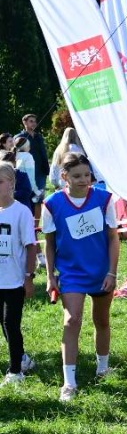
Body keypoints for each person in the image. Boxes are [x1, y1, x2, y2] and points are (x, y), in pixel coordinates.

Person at [44, 151, 119, 402]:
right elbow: (49, 243)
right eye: (77, 176)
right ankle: (69, 383)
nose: (84, 180)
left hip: (101, 272)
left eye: (87, 175)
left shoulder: (105, 199)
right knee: (72, 320)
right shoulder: (52, 204)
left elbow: (113, 238)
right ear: (64, 176)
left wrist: (112, 272)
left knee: (102, 320)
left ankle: (103, 368)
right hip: (71, 273)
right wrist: (50, 276)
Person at [0, 165, 37, 385]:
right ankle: (22, 359)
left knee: (11, 324)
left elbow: (30, 246)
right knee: (3, 324)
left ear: (11, 184)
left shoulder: (21, 212)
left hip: (14, 280)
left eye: (0, 182)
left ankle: (15, 372)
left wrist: (29, 277)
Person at [15, 113, 49, 195]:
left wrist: (46, 168)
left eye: (35, 121)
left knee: (39, 197)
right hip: (26, 171)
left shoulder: (39, 137)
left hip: (41, 171)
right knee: (28, 196)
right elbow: (15, 154)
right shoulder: (19, 137)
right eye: (31, 121)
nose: (34, 123)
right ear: (25, 123)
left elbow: (43, 153)